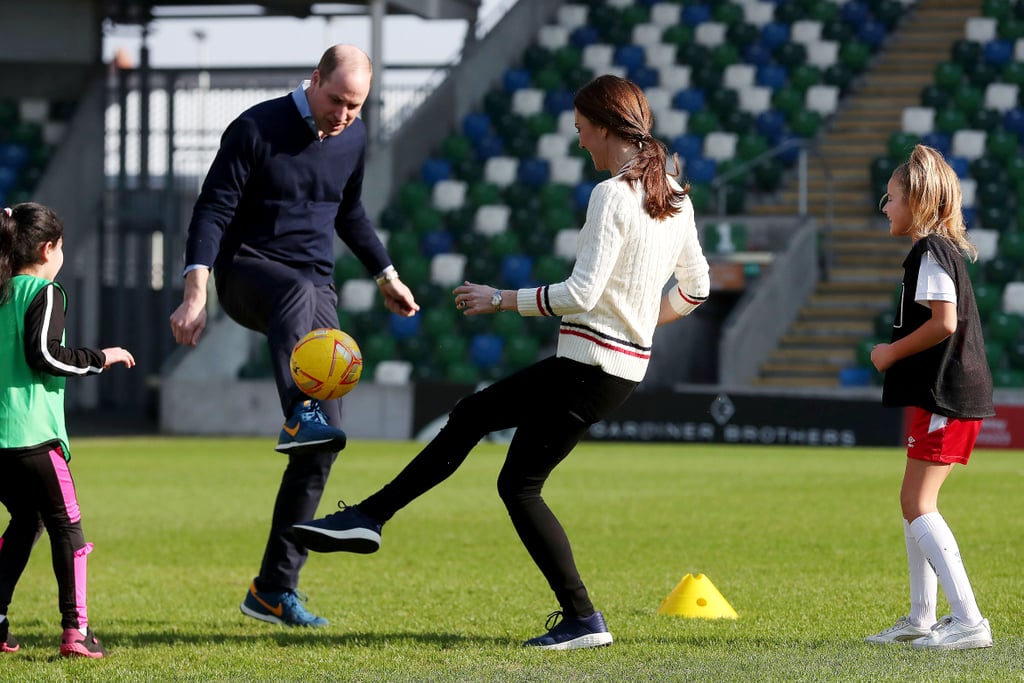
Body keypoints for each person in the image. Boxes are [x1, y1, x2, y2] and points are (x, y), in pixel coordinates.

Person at [291, 74, 711, 650]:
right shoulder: (676, 195)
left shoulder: (612, 194)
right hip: (619, 372)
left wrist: (500, 300)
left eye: (581, 130)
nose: (580, 141)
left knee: (472, 419)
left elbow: (581, 295)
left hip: (588, 365)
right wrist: (641, 323)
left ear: (605, 126)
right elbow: (697, 289)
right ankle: (581, 619)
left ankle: (372, 516)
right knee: (516, 479)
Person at [168, 44, 419, 628]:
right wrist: (195, 293)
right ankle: (296, 412)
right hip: (247, 275)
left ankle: (273, 589)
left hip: (314, 290)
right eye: (337, 100)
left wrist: (387, 274)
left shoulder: (353, 138)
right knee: (298, 301)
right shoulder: (255, 128)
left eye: (356, 107)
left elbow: (348, 212)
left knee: (325, 441)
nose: (344, 115)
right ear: (314, 79)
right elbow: (211, 211)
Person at [866, 144, 995, 650]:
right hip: (943, 394)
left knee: (918, 502)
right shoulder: (936, 250)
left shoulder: (929, 251)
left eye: (891, 196)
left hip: (949, 394)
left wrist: (890, 353)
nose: (885, 206)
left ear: (916, 199)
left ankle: (969, 621)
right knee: (912, 501)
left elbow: (945, 322)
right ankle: (922, 617)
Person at [0, 202, 136, 659]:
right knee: (67, 528)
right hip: (32, 434)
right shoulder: (45, 290)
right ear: (47, 248)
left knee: (27, 520)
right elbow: (45, 355)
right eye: (61, 247)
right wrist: (102, 357)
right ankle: (76, 631)